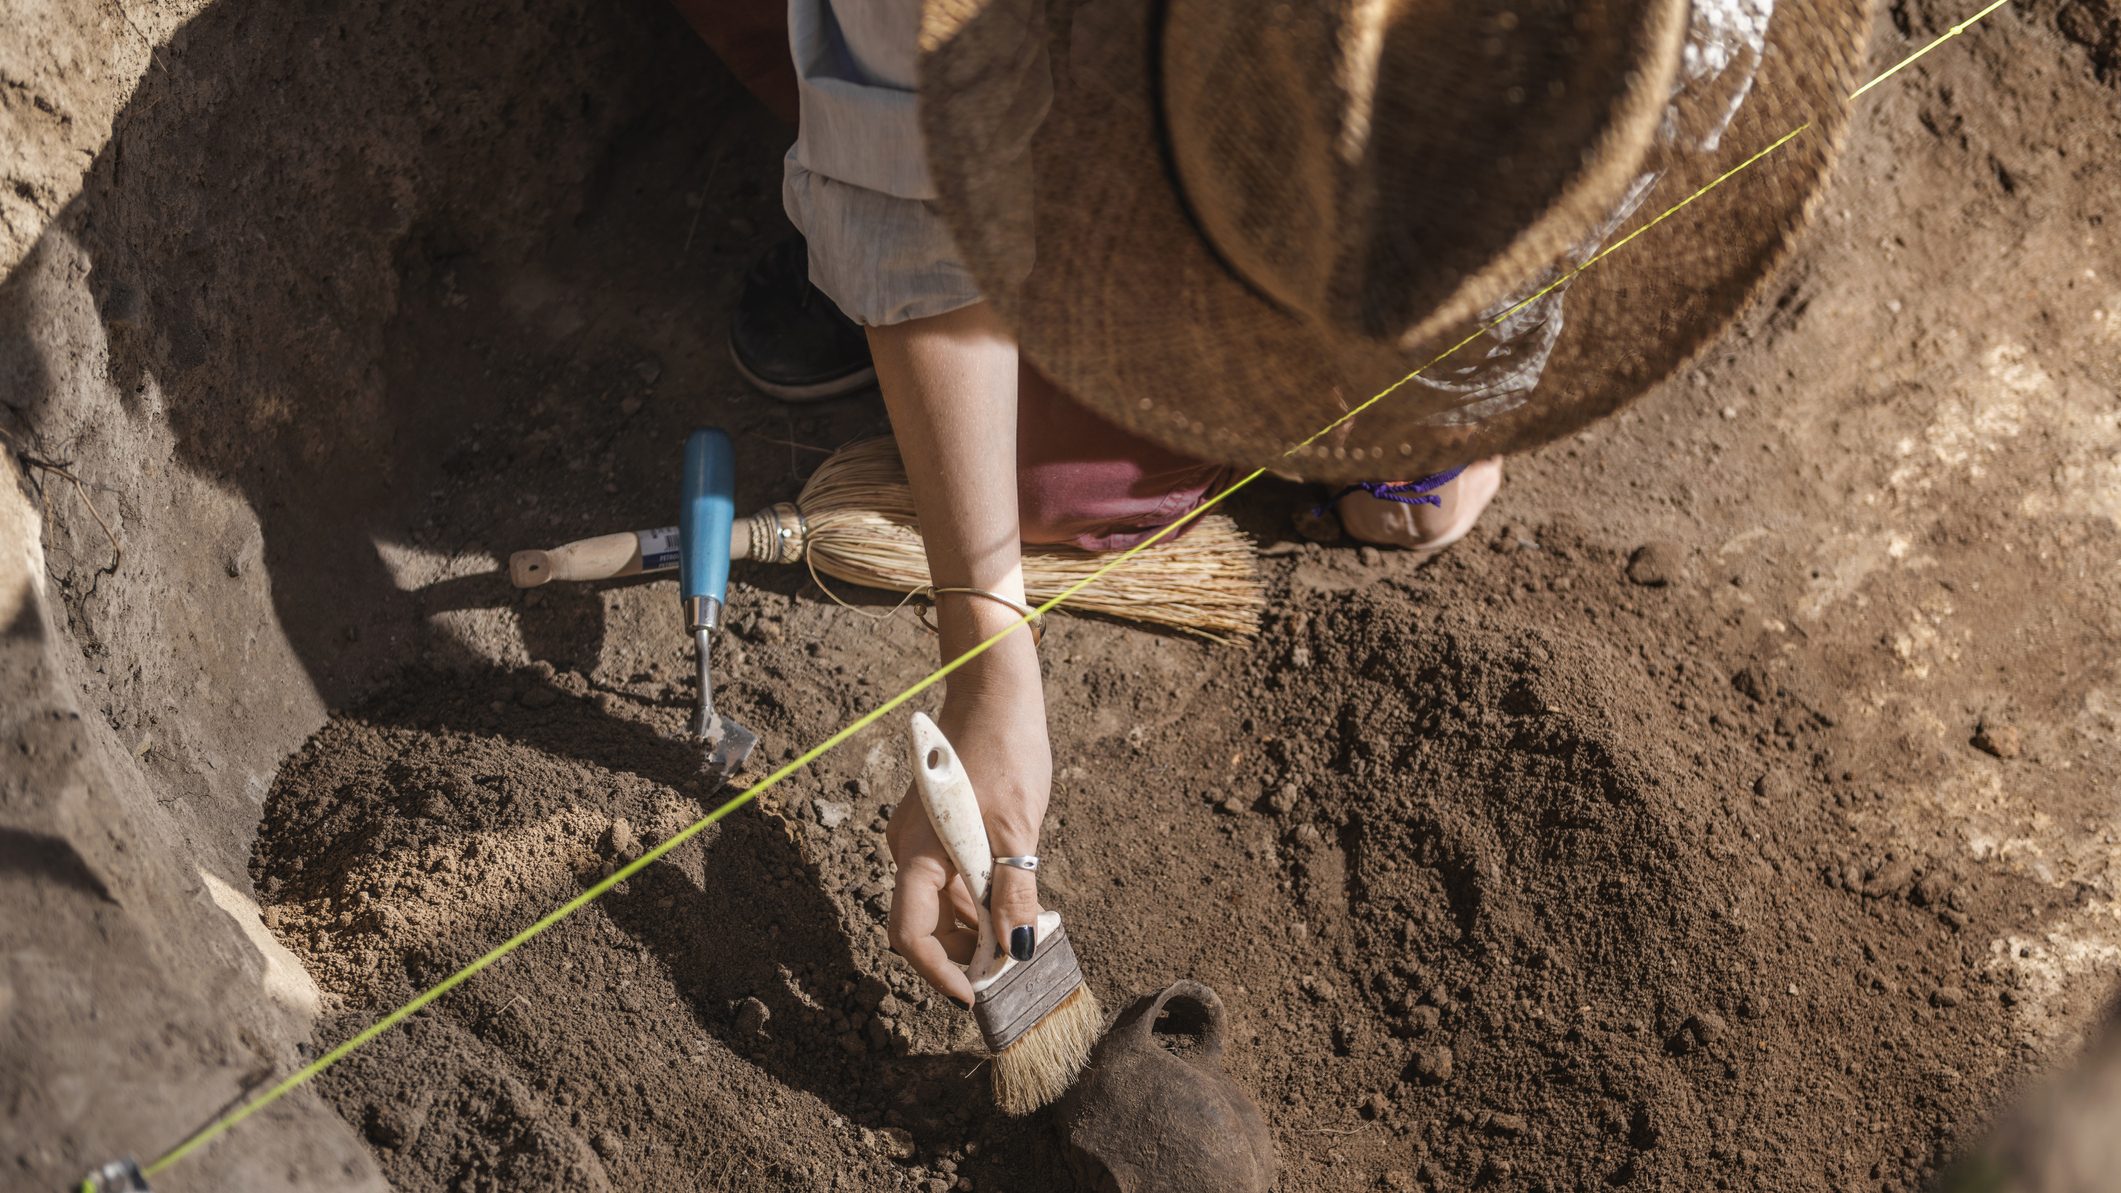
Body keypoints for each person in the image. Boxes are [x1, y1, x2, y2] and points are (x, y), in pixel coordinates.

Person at [698, 0, 1862, 1006]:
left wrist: (1431, 424)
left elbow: (1572, 207)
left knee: (1066, 466)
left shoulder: (1679, 34)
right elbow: (902, 164)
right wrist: (991, 658)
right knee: (1044, 485)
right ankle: (862, 209)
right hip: (1064, 61)